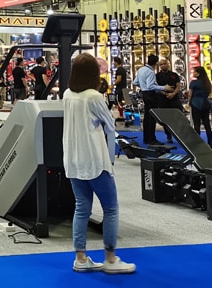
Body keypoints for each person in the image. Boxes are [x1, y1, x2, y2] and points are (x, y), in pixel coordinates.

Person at [63, 52, 136, 275]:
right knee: (111, 208)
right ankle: (110, 259)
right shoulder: (94, 96)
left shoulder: (67, 94)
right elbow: (110, 125)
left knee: (81, 208)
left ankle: (80, 258)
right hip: (94, 160)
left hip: (73, 160)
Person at [132, 54, 171, 145]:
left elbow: (135, 82)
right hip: (151, 95)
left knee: (147, 117)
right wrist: (164, 87)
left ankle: (146, 138)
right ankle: (152, 139)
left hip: (145, 94)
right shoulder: (150, 72)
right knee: (152, 118)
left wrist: (143, 86)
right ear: (156, 63)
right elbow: (150, 86)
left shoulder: (141, 69)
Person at [156, 58, 183, 144]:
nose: (163, 65)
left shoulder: (174, 75)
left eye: (164, 64)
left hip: (174, 99)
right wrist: (165, 94)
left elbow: (178, 86)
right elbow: (156, 87)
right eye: (161, 64)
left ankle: (180, 135)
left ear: (168, 64)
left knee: (178, 116)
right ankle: (168, 136)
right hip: (163, 99)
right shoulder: (157, 76)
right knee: (165, 119)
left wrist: (173, 94)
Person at [187, 66, 212, 148]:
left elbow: (190, 94)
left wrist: (189, 103)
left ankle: (197, 144)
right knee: (207, 124)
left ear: (198, 74)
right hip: (205, 104)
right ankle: (210, 143)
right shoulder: (207, 82)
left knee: (196, 124)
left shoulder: (194, 82)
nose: (193, 73)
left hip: (196, 103)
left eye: (194, 72)